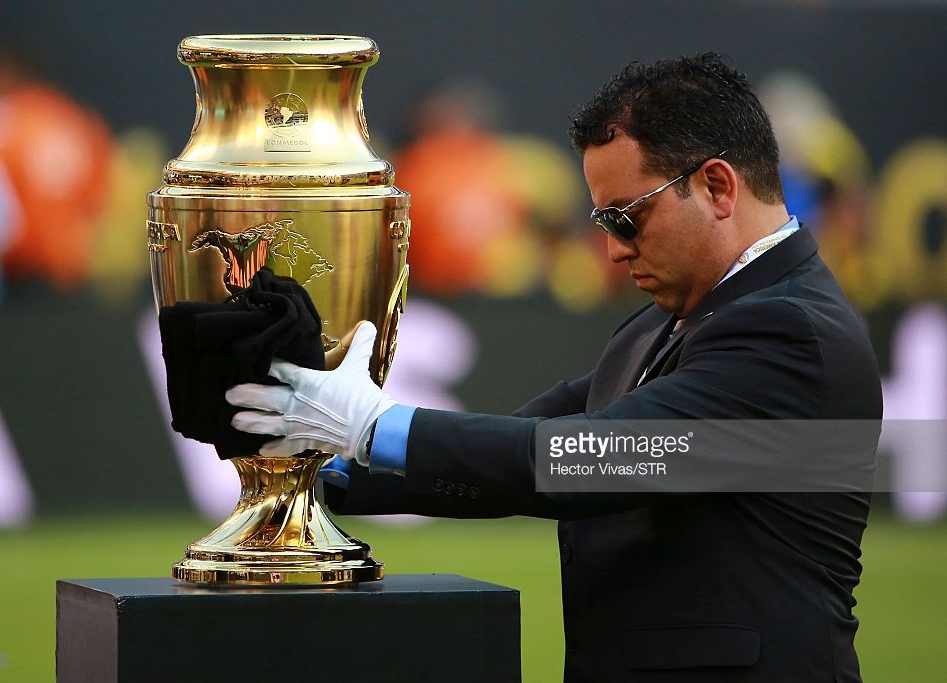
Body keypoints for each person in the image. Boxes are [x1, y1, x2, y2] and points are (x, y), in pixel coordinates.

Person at [226, 54, 883, 682]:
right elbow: (514, 457)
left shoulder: (790, 330)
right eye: (603, 219)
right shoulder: (669, 318)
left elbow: (592, 460)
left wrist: (373, 425)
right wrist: (323, 470)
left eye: (627, 217)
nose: (612, 248)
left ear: (716, 185)